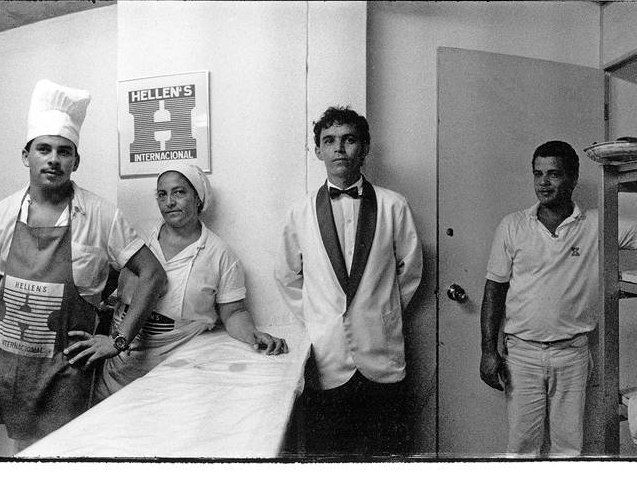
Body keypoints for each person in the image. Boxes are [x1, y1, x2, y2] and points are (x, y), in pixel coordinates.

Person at [0, 79, 167, 453]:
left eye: (64, 151)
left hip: (64, 378)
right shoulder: (1, 214)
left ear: (76, 161)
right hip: (4, 372)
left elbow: (153, 274)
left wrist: (117, 342)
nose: (53, 159)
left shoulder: (101, 215)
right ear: (26, 156)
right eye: (44, 149)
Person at [479, 140, 637, 457]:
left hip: (572, 355)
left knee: (568, 449)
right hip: (522, 355)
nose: (544, 183)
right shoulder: (513, 226)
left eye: (553, 174)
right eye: (538, 174)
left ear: (573, 178)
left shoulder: (595, 225)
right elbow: (494, 290)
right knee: (521, 448)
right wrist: (487, 351)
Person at [277, 106, 423, 458]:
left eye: (348, 139)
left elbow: (411, 268)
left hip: (382, 354)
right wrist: (319, 318)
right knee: (329, 458)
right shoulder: (300, 212)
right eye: (329, 141)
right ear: (318, 152)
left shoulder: (393, 205)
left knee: (388, 457)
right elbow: (286, 275)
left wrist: (381, 309)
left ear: (365, 147)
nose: (339, 148)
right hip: (327, 358)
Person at [95, 163, 288, 400]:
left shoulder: (220, 256)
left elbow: (233, 312)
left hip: (174, 377)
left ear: (198, 198)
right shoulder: (138, 238)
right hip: (117, 372)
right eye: (162, 194)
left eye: (179, 192)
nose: (169, 202)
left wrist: (253, 335)